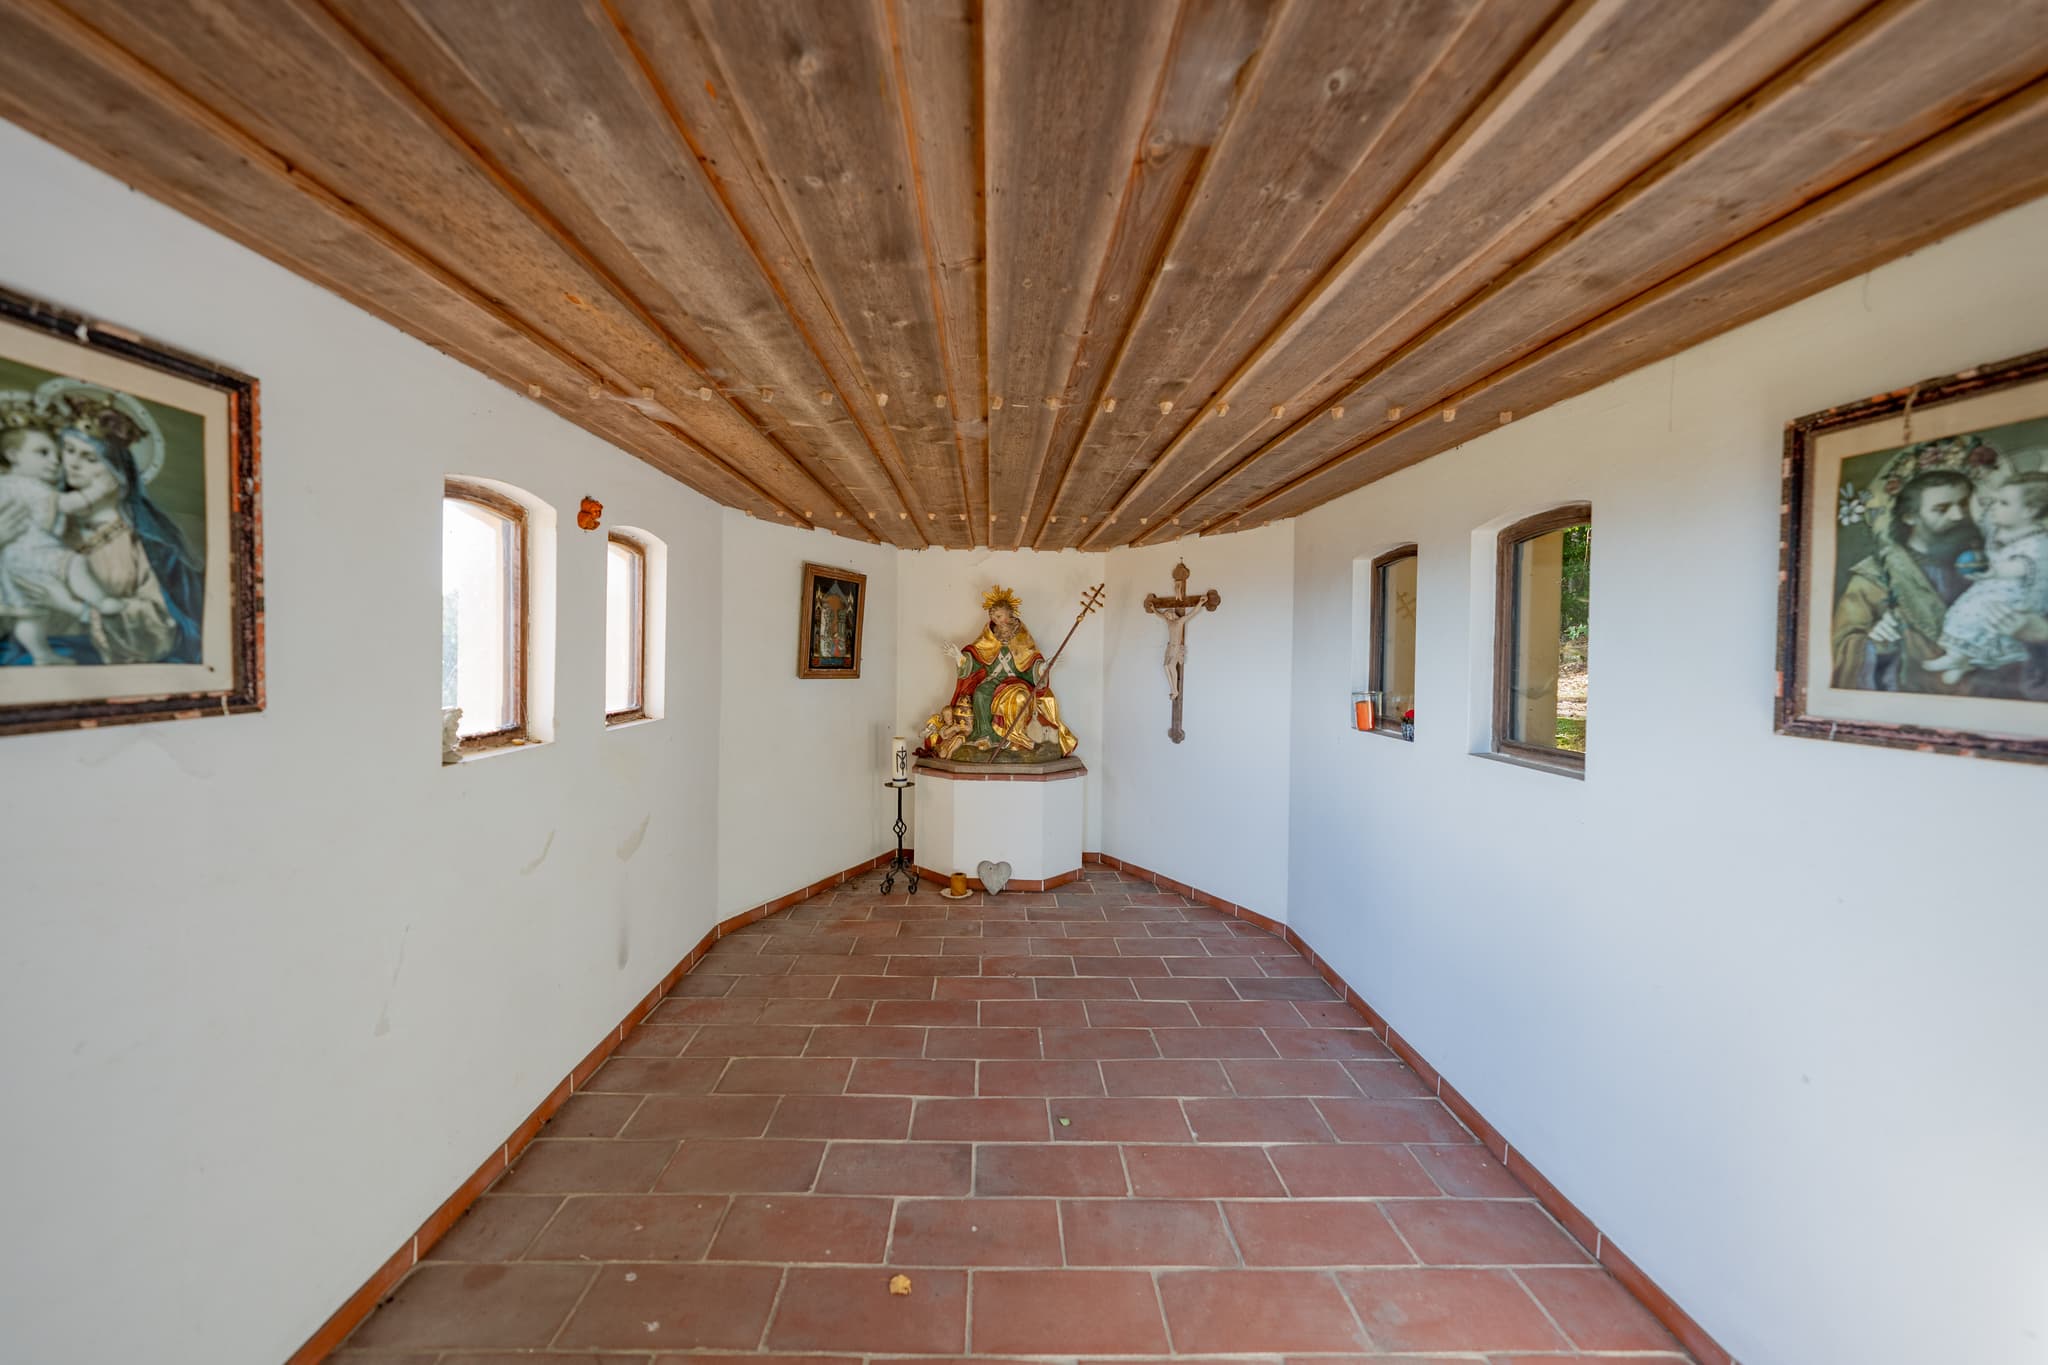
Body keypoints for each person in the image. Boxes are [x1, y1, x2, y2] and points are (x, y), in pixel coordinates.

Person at [1831, 467, 1984, 693]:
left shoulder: (1992, 562)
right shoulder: (1875, 577)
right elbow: (1844, 649)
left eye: (1963, 504)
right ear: (1909, 516)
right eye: (1942, 509)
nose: (1958, 516)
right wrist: (1876, 643)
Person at [57, 426, 184, 664]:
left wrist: (93, 614)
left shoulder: (149, 541)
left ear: (118, 473)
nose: (72, 463)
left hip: (110, 659)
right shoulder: (51, 522)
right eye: (69, 450)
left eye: (90, 458)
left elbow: (163, 621)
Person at [0, 426, 124, 664]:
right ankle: (100, 601)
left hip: (12, 561)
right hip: (35, 553)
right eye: (43, 453)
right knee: (75, 562)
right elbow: (66, 504)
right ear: (13, 455)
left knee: (31, 615)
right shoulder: (28, 485)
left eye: (57, 455)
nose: (56, 462)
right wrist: (97, 490)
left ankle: (42, 655)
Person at [918, 584, 1078, 758]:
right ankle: (987, 737)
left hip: (1016, 682)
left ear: (1010, 614)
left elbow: (1031, 663)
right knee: (980, 693)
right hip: (992, 681)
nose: (995, 619)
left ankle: (1015, 738)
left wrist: (1043, 667)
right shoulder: (988, 636)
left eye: (999, 615)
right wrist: (958, 657)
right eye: (993, 616)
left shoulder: (1022, 637)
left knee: (1020, 698)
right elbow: (976, 660)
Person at [1922, 473, 2048, 683]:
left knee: (1978, 621)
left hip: (2012, 596)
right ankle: (1960, 661)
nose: (1995, 506)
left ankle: (1959, 658)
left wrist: (1995, 571)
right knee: (1963, 614)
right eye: (1996, 500)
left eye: (2004, 503)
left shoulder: (2038, 543)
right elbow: (1982, 511)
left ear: (2030, 511)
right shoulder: (2000, 527)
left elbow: (2022, 567)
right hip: (1992, 587)